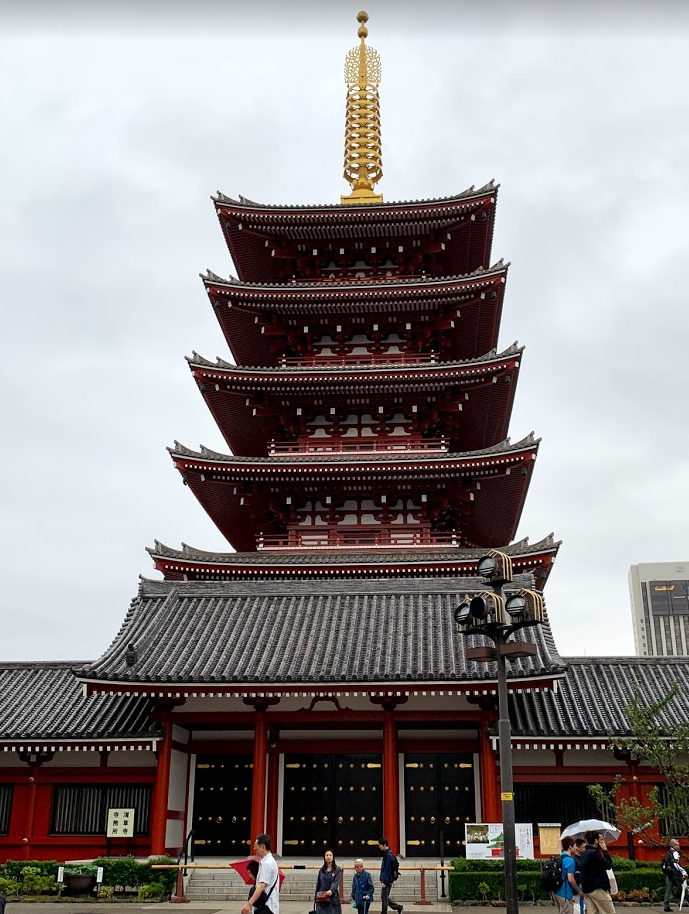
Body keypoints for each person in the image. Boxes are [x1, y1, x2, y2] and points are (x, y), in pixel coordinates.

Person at [579, 830, 615, 914]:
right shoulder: (594, 853)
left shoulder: (584, 853)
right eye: (601, 839)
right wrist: (605, 851)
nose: (603, 841)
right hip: (597, 888)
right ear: (596, 841)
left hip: (587, 889)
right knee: (609, 912)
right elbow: (608, 865)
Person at [242, 834, 279, 914]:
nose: (254, 848)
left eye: (256, 846)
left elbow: (261, 886)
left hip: (267, 906)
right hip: (267, 906)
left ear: (263, 847)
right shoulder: (267, 861)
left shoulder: (267, 864)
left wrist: (249, 904)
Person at [553, 836, 583, 914]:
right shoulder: (570, 860)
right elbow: (571, 879)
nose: (576, 848)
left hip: (556, 892)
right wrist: (579, 891)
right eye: (575, 845)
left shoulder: (559, 858)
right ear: (570, 846)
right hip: (565, 893)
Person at [378, 837, 403, 914]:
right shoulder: (387, 854)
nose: (379, 846)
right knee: (384, 897)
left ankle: (384, 912)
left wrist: (384, 881)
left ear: (384, 845)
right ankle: (398, 907)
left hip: (388, 879)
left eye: (380, 845)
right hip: (388, 879)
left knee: (384, 897)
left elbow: (387, 869)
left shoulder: (388, 855)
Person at [663, 838, 687, 911]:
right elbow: (676, 864)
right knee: (684, 889)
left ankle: (666, 905)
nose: (679, 846)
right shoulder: (674, 853)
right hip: (675, 874)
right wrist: (683, 872)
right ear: (674, 845)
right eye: (677, 845)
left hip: (670, 873)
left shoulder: (669, 852)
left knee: (669, 889)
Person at [315, 849, 342, 914]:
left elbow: (336, 882)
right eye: (326, 855)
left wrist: (331, 890)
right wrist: (316, 896)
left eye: (330, 855)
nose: (328, 857)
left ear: (333, 857)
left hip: (332, 898)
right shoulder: (321, 870)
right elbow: (318, 884)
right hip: (322, 898)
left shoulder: (337, 870)